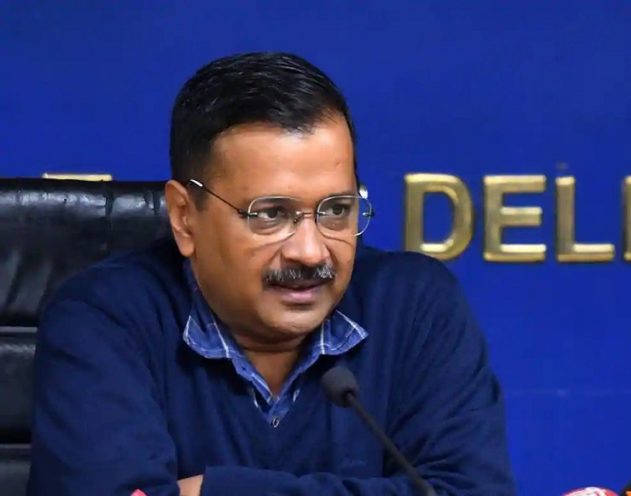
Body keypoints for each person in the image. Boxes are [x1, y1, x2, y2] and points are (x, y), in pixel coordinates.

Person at [28, 52, 516, 495]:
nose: (310, 251)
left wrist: (216, 491)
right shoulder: (104, 320)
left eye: (336, 210)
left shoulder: (415, 308)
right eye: (270, 215)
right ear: (185, 217)